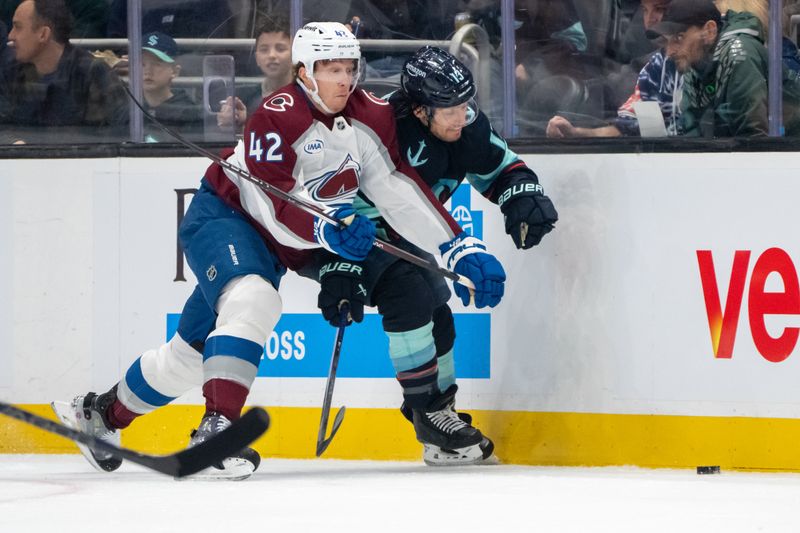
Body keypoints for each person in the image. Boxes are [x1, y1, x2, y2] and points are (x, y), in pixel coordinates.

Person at [53, 22, 507, 480]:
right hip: (230, 219)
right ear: (306, 72)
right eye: (332, 69)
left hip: (294, 240)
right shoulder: (277, 114)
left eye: (350, 68)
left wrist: (459, 247)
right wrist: (329, 234)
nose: (345, 80)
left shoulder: (370, 114)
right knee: (254, 299)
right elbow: (272, 206)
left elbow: (395, 189)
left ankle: (100, 414)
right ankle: (217, 428)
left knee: (188, 356)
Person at [310, 46, 557, 465]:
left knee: (437, 308)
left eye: (466, 105)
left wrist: (521, 195)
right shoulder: (380, 129)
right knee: (407, 296)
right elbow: (334, 197)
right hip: (356, 234)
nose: (462, 117)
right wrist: (341, 265)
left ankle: (438, 412)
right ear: (421, 112)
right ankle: (426, 411)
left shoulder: (466, 126)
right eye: (449, 110)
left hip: (411, 232)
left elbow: (501, 167)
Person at [546, 0, 683, 138]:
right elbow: (639, 130)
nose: (649, 20)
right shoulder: (655, 69)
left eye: (660, 9)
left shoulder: (699, 66)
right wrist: (575, 132)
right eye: (645, 11)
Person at [0, 0, 128, 143]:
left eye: (18, 27)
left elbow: (120, 134)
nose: (11, 35)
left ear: (43, 34)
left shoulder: (93, 73)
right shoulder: (11, 73)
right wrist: (12, 144)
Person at [648, 0, 768, 137]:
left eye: (679, 37)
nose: (669, 51)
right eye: (666, 40)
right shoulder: (693, 63)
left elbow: (754, 142)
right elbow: (692, 133)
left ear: (709, 31)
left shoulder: (740, 54)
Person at [217, 17, 294, 131]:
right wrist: (233, 121)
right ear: (257, 58)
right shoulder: (247, 100)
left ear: (295, 54)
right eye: (264, 50)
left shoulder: (310, 96)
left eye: (280, 48)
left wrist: (248, 119)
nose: (271, 55)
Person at [139, 31, 201, 141]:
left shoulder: (188, 113)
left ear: (175, 71)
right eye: (142, 64)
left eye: (157, 64)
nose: (147, 71)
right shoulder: (128, 108)